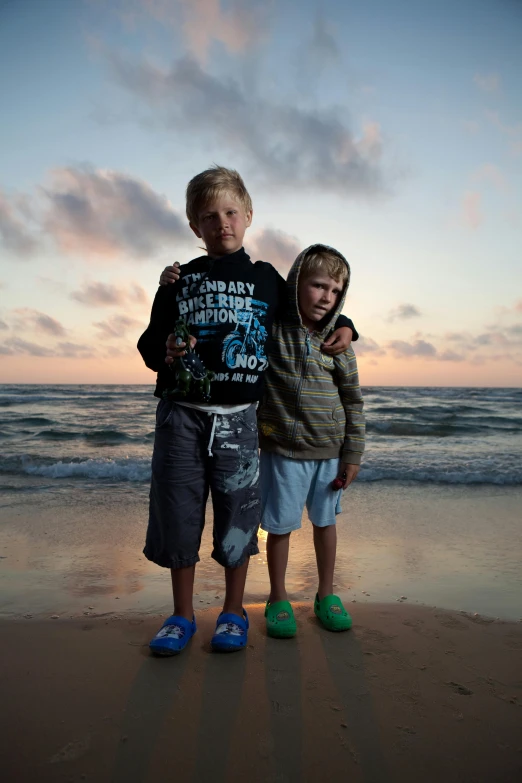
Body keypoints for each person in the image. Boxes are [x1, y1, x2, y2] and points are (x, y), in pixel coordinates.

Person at [138, 166, 357, 656]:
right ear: (195, 226)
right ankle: (181, 614)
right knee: (180, 514)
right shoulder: (179, 280)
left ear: (249, 215)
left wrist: (351, 327)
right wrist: (165, 351)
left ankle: (233, 611)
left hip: (239, 420)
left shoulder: (265, 279)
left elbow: (306, 311)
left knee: (238, 518)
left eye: (231, 212)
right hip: (180, 415)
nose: (222, 224)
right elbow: (148, 342)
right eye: (209, 217)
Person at [257, 244, 364, 638]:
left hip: (329, 454)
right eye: (319, 286)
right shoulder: (275, 330)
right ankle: (278, 596)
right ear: (297, 282)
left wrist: (352, 454)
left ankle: (326, 595)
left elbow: (353, 400)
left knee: (326, 522)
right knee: (280, 526)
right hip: (282, 451)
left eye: (336, 291)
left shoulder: (338, 344)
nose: (326, 297)